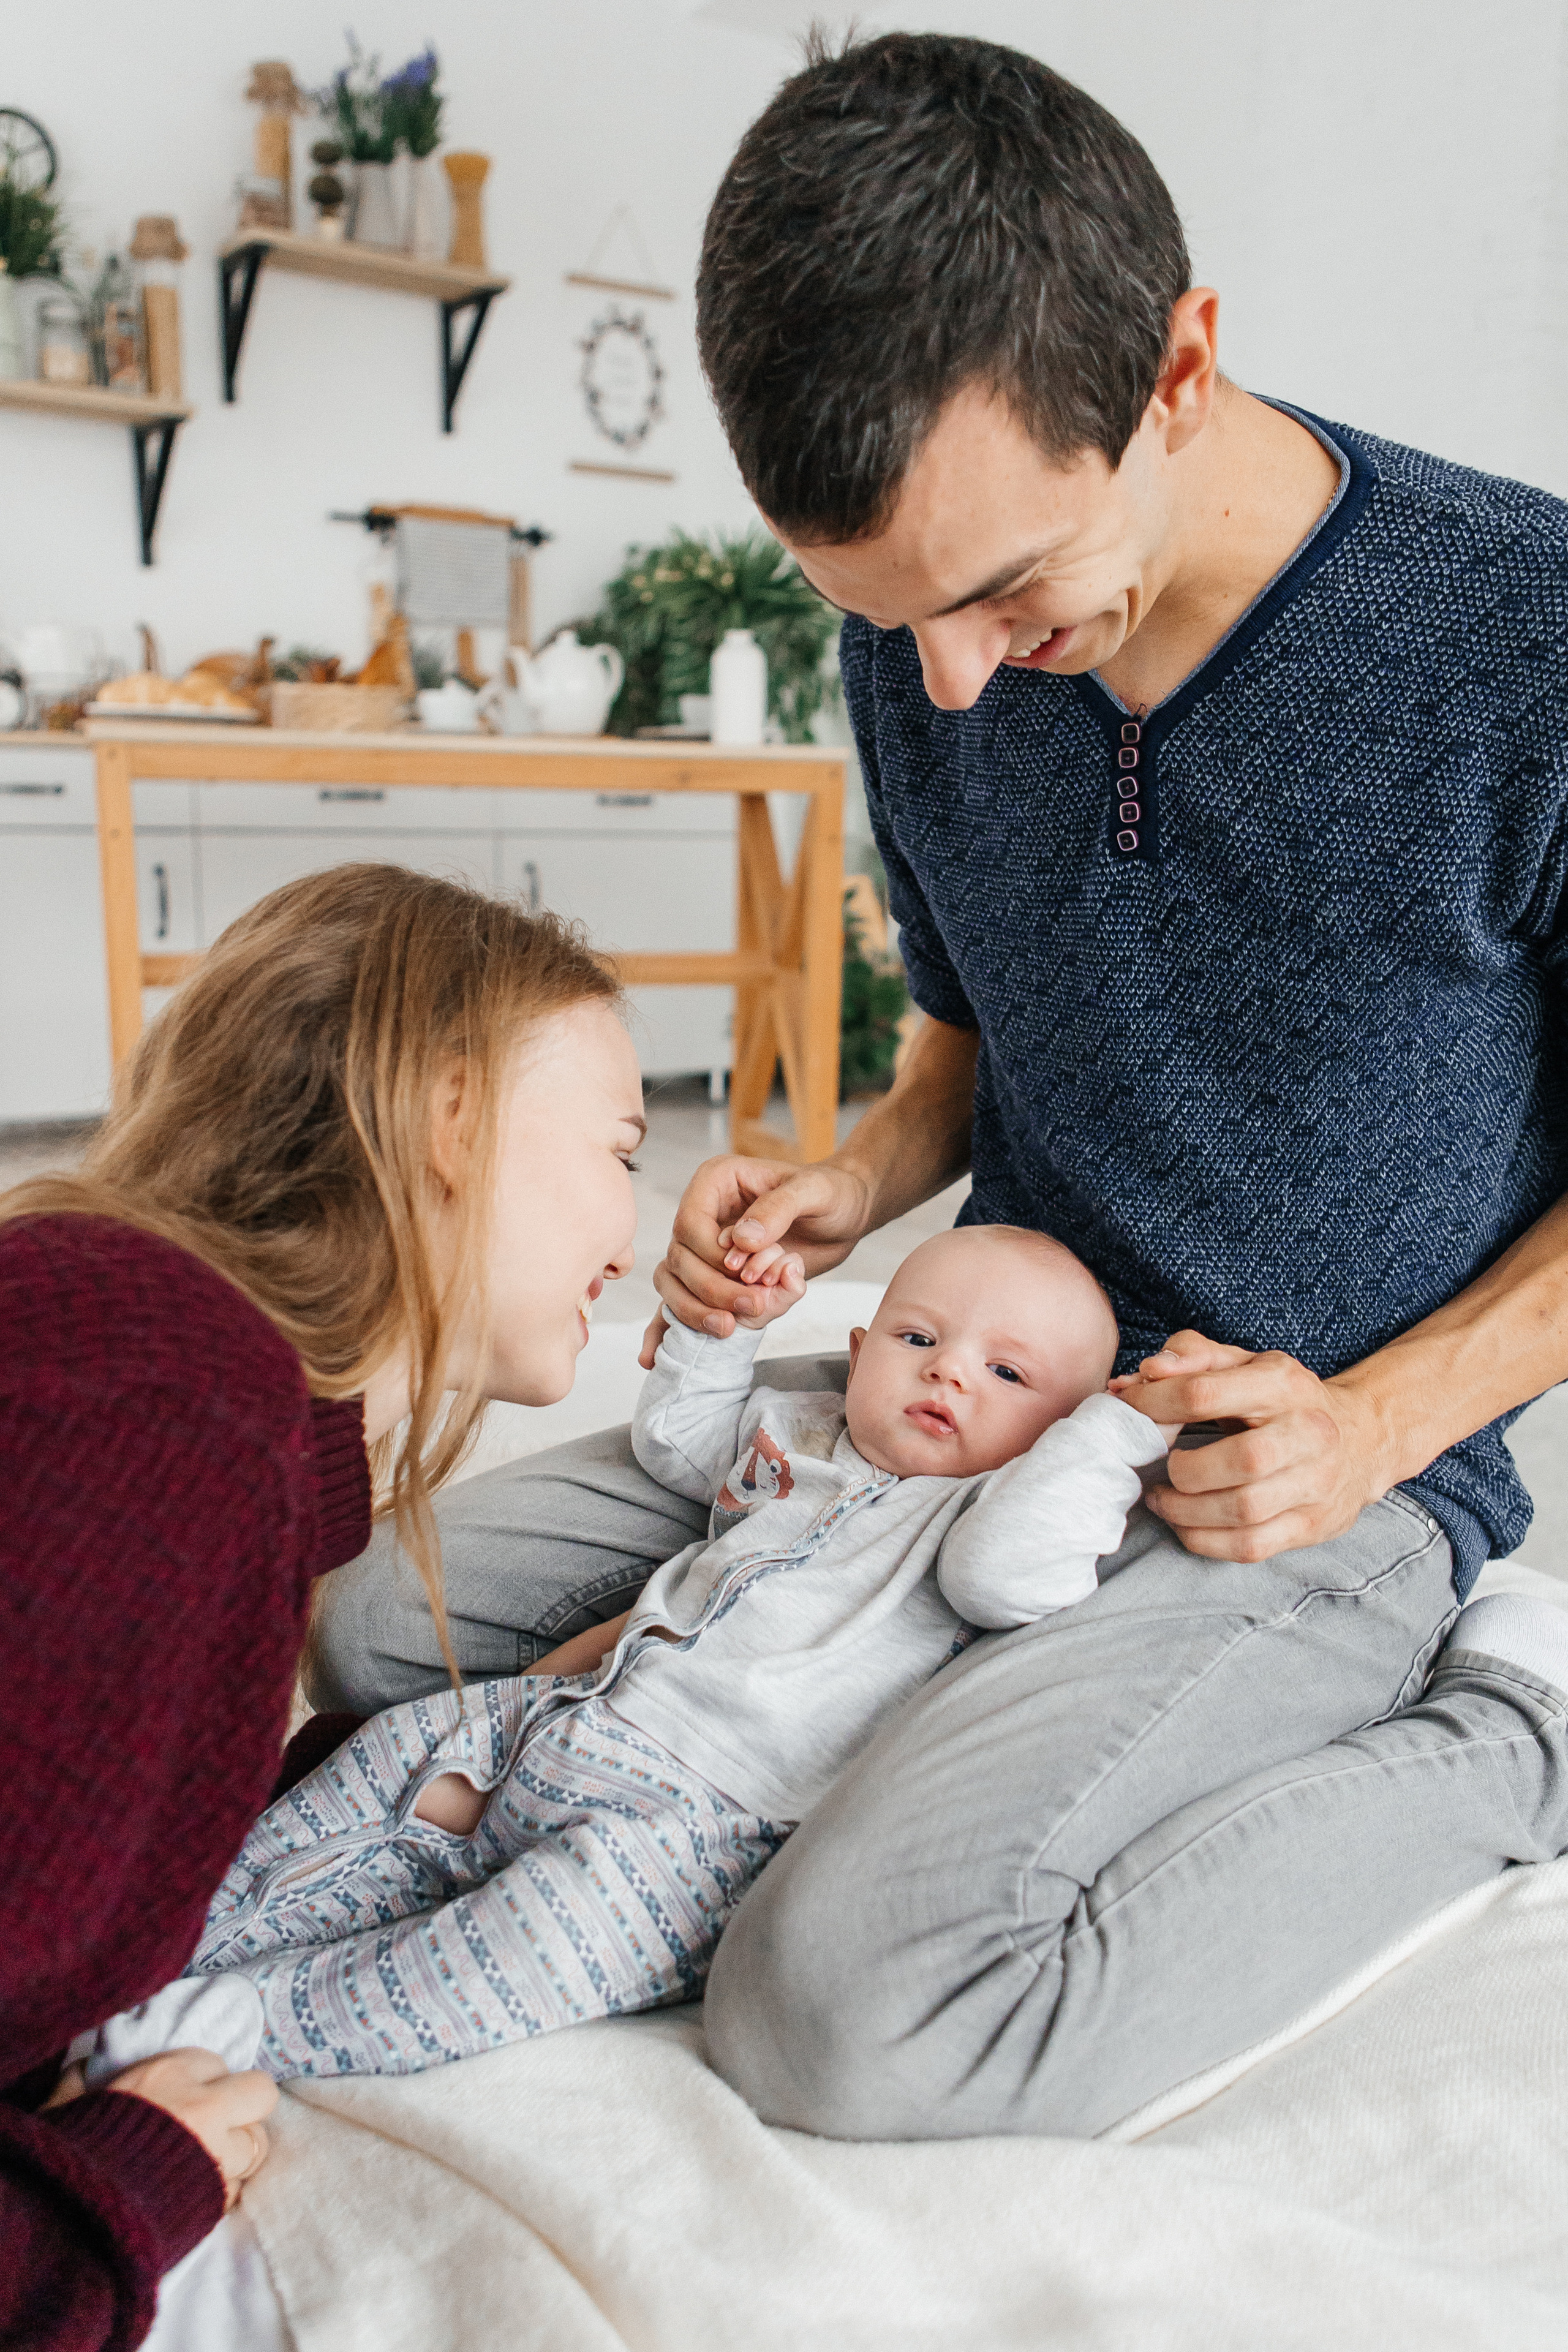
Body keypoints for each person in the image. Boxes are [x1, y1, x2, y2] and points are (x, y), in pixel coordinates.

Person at [312, 32, 1568, 2140]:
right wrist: (857, 1176)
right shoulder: (920, 642)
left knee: (846, 2015)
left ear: (1178, 370)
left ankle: (1514, 1745)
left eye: (1000, 593)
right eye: (892, 619)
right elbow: (966, 1041)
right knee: (360, 1625)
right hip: (942, 1385)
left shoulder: (1524, 641)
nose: (956, 678)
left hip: (1255, 1465)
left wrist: (1379, 1431)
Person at [0, 865, 646, 2348]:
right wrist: (117, 2188)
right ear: (451, 1116)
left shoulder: (175, 1381)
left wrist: (449, 1744)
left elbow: (97, 1820)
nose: (636, 1208)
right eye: (619, 1145)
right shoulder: (165, 1414)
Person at [189, 1224, 1175, 2081]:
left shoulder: (992, 1522)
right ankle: (173, 1935)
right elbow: (680, 1440)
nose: (950, 1369)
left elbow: (1006, 1574)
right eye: (918, 1337)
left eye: (1008, 1374)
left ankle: (244, 2023)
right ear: (858, 1347)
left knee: (536, 1945)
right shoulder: (804, 1433)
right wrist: (728, 1333)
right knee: (388, 1759)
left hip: (702, 1826)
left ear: (1062, 1432)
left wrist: (1114, 1436)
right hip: (570, 1712)